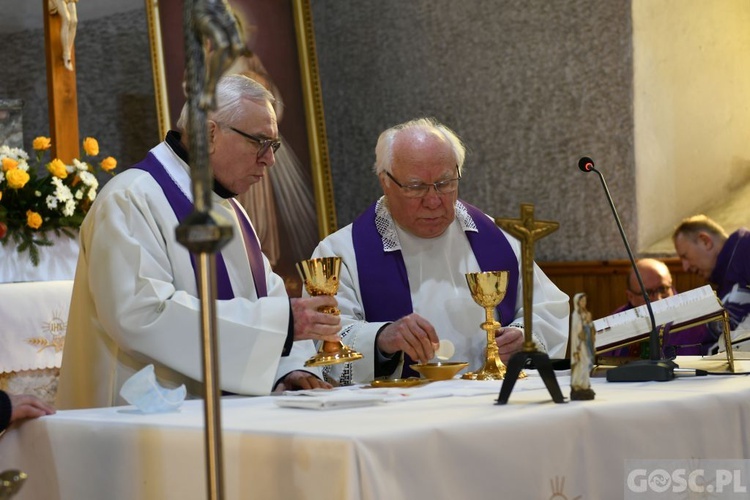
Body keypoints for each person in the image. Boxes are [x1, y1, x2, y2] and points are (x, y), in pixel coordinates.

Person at [57, 75, 341, 409]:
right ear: (209, 134)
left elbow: (266, 294)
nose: (270, 159)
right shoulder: (130, 199)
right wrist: (284, 323)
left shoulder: (228, 209)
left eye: (273, 146)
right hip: (145, 418)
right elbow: (143, 315)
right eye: (261, 142)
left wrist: (285, 369)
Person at [308, 117, 569, 385]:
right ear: (385, 181)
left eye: (445, 183)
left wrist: (524, 337)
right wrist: (381, 339)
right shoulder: (340, 252)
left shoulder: (497, 238)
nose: (433, 201)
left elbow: (548, 308)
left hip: (488, 404)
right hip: (399, 414)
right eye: (416, 187)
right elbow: (321, 340)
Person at [606, 258, 718, 357]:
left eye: (663, 289)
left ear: (671, 284)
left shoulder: (699, 317)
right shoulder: (613, 327)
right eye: (648, 293)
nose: (658, 299)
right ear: (630, 296)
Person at [673, 215, 750, 348]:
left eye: (685, 256)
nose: (685, 267)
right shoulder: (727, 270)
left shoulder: (746, 249)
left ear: (705, 241)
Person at [570, 293, 594, 399]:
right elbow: (577, 331)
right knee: (581, 363)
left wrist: (589, 323)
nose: (584, 303)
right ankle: (578, 384)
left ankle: (584, 384)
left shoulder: (585, 313)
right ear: (577, 302)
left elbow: (590, 327)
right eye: (582, 301)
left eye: (585, 301)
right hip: (579, 345)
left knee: (587, 362)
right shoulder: (576, 315)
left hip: (586, 342)